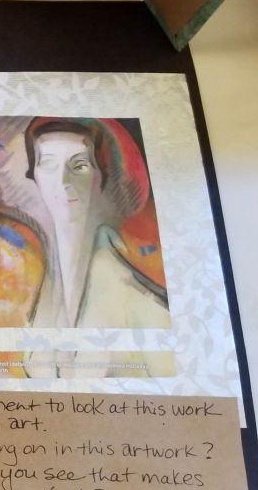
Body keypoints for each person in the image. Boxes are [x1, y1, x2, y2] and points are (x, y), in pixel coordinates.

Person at [22, 117, 169, 331]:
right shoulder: (34, 284)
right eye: (48, 164)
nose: (63, 181)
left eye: (79, 165)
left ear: (101, 175)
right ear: (34, 175)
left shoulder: (145, 308)